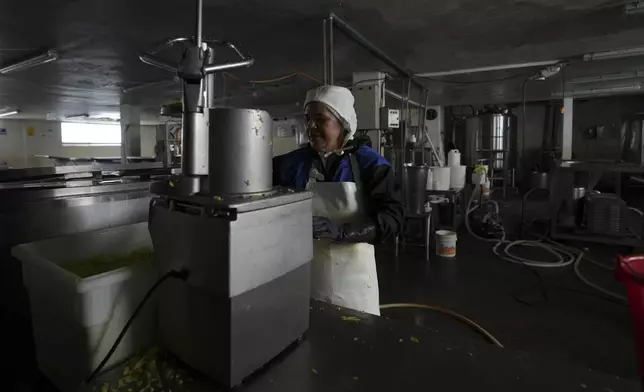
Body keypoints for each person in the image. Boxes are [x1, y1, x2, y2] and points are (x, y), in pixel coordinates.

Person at [273, 85, 404, 315]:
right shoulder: (293, 163)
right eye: (308, 119)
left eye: (320, 119)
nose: (311, 127)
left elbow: (392, 218)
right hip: (306, 277)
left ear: (342, 123)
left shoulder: (371, 165)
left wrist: (344, 232)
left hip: (354, 282)